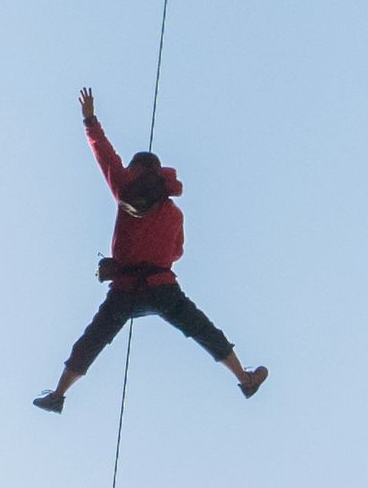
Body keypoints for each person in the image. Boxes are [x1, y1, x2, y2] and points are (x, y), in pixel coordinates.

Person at [46, 88, 266, 405]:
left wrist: (90, 120)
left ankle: (58, 394)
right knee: (203, 330)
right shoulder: (173, 213)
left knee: (92, 341)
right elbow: (176, 254)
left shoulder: (123, 190)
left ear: (134, 172)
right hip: (163, 289)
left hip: (123, 290)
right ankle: (244, 379)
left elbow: (105, 156)